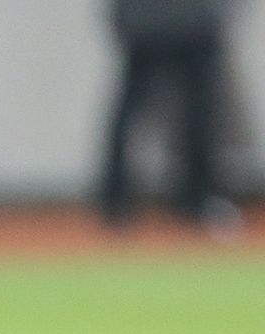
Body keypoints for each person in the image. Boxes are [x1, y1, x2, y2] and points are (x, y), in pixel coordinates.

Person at [99, 0, 243, 228]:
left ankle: (117, 200)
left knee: (197, 115)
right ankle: (196, 197)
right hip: (171, 21)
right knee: (195, 114)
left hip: (166, 21)